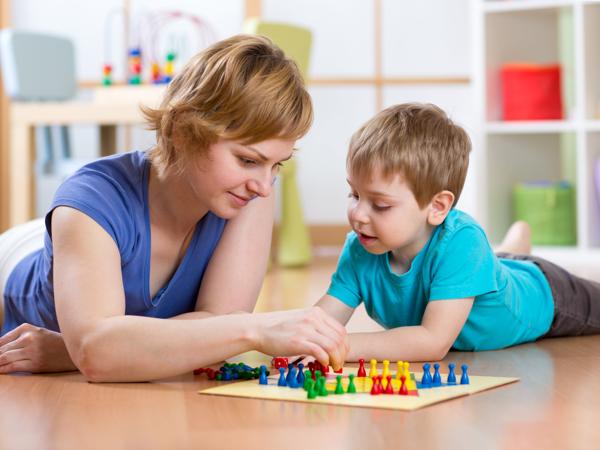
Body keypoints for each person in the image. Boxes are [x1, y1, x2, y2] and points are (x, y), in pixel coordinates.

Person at [0, 34, 347, 381]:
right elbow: (97, 353)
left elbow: (219, 325)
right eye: (247, 159)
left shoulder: (251, 194)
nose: (263, 185)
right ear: (182, 131)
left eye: (277, 165)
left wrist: (72, 349)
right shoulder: (90, 201)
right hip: (16, 256)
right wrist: (255, 329)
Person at [315, 102, 600, 362]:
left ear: (437, 207)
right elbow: (319, 322)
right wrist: (298, 338)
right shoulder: (360, 249)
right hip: (488, 269)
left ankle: (516, 248)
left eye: (380, 204)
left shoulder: (463, 242)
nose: (358, 215)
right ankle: (514, 246)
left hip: (547, 295)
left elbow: (431, 342)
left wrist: (340, 346)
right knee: (495, 264)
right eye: (353, 194)